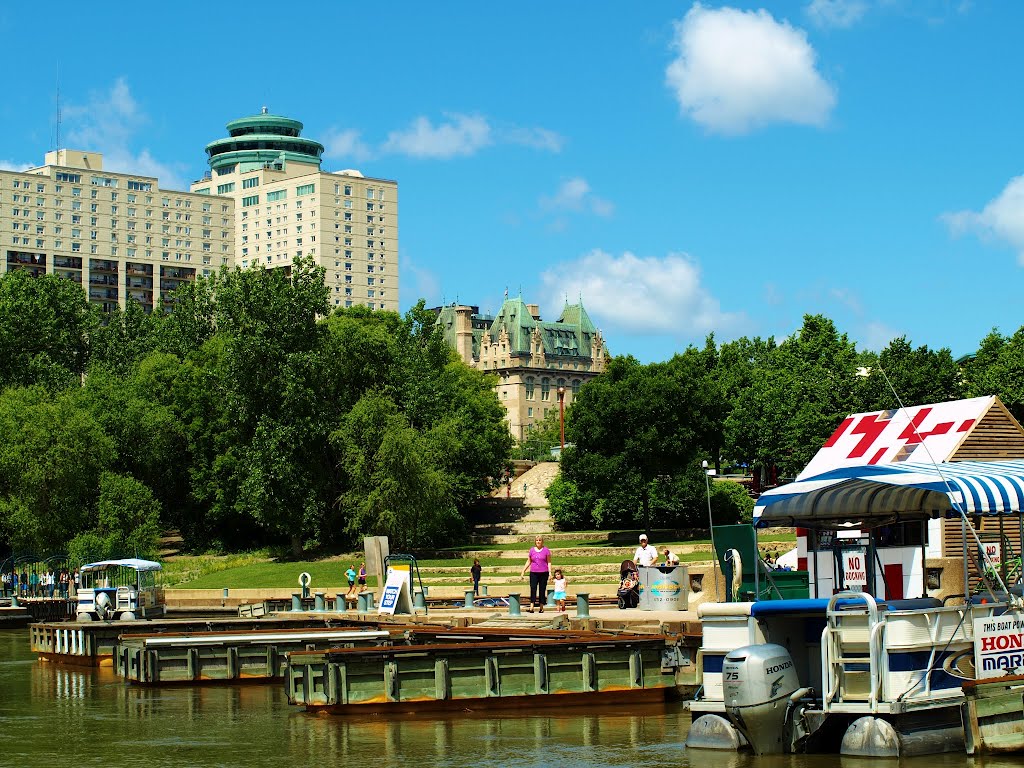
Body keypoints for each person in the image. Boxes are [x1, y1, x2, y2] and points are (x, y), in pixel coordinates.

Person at [520, 536, 551, 613]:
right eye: (537, 540)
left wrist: (550, 572)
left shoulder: (546, 550)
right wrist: (523, 570)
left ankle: (541, 607)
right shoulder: (532, 550)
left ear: (542, 541)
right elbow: (529, 561)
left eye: (540, 540)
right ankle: (531, 607)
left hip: (544, 572)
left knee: (542, 589)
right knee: (533, 588)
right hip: (534, 572)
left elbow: (549, 562)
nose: (538, 542)